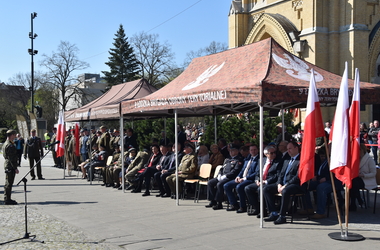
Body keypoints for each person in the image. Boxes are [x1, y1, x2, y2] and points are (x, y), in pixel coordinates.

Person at [263, 141, 303, 224]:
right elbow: (281, 174)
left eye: (290, 148)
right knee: (266, 189)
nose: (288, 151)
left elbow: (297, 177)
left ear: (296, 148)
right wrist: (279, 184)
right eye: (287, 149)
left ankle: (282, 216)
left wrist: (285, 185)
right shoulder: (286, 160)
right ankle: (273, 213)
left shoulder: (301, 160)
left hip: (295, 185)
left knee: (285, 191)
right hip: (283, 184)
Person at [205, 144, 244, 210]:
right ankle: (212, 200)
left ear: (237, 151)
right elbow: (222, 168)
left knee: (220, 184)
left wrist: (226, 176)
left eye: (233, 151)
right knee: (210, 182)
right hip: (222, 176)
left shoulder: (239, 160)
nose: (231, 152)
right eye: (230, 151)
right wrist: (219, 174)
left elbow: (235, 171)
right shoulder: (227, 159)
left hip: (230, 177)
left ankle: (219, 203)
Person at [245, 145, 280, 217]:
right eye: (271, 153)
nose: (274, 154)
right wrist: (257, 180)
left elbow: (277, 175)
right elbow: (258, 172)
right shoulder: (262, 160)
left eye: (274, 152)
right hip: (260, 181)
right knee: (248, 188)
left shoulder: (278, 162)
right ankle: (257, 208)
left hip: (269, 182)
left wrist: (265, 181)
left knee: (260, 189)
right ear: (266, 154)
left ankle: (264, 211)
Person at [224, 145, 260, 213]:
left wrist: (245, 178)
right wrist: (238, 176)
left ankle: (243, 206)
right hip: (242, 178)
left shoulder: (259, 159)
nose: (253, 151)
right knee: (227, 185)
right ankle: (234, 204)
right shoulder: (247, 159)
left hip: (250, 179)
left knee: (239, 187)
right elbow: (242, 170)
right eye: (251, 150)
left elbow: (256, 173)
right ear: (249, 151)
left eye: (255, 150)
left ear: (257, 150)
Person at [350, 143, 378, 211]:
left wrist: (363, 175)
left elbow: (373, 173)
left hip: (368, 180)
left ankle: (356, 202)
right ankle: (357, 201)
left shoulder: (369, 160)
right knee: (352, 183)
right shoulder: (356, 160)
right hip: (358, 179)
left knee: (354, 183)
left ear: (363, 150)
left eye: (359, 150)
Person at [3, 130, 19, 205]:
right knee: (9, 183)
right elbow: (12, 158)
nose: (15, 136)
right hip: (10, 166)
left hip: (7, 165)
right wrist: (15, 168)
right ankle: (7, 199)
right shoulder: (10, 145)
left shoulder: (5, 143)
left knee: (8, 182)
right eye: (14, 134)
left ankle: (7, 198)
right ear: (12, 135)